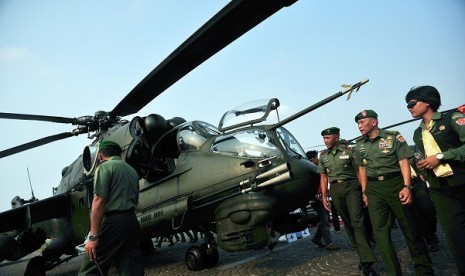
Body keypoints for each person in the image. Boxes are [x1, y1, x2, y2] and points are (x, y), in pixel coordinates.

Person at [354, 110, 433, 276]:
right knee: (380, 232)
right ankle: (393, 272)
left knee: (410, 228)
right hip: (374, 190)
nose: (359, 126)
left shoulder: (393, 136)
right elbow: (362, 169)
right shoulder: (359, 144)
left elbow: (403, 162)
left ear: (374, 122)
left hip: (396, 184)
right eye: (358, 123)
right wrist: (364, 192)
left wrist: (407, 186)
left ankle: (424, 268)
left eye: (362, 122)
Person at [406, 85, 465, 274]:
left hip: (462, 181)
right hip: (440, 189)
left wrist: (441, 157)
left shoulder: (451, 119)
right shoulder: (418, 133)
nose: (409, 107)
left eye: (412, 103)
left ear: (429, 101)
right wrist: (424, 165)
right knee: (456, 238)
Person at [317, 127, 377, 275]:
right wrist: (325, 196)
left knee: (357, 220)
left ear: (336, 137)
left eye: (328, 138)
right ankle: (362, 247)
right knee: (348, 223)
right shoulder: (323, 156)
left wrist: (364, 192)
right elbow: (323, 177)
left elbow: (359, 172)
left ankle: (366, 259)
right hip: (336, 190)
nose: (325, 141)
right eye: (324, 139)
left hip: (351, 187)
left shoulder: (349, 152)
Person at [79, 140, 144, 276]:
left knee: (90, 268)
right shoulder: (131, 170)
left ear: (101, 156)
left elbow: (99, 200)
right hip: (131, 221)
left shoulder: (104, 167)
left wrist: (93, 236)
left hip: (113, 223)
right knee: (131, 269)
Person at [306, 150, 340, 251]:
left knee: (324, 220)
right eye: (317, 157)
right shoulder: (310, 171)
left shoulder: (315, 169)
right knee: (325, 221)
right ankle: (328, 243)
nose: (318, 159)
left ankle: (316, 238)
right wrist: (318, 198)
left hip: (320, 198)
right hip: (317, 200)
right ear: (313, 159)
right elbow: (309, 187)